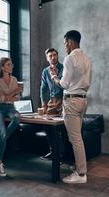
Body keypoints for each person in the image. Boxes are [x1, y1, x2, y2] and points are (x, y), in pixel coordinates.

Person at [51, 30, 92, 183]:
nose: (65, 47)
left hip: (72, 101)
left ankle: (81, 174)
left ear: (69, 41)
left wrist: (55, 77)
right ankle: (79, 168)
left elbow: (65, 84)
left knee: (75, 139)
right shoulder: (87, 59)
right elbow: (87, 83)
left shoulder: (69, 58)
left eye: (65, 44)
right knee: (77, 137)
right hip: (83, 100)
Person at [0, 57, 23, 177]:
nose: (12, 66)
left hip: (10, 108)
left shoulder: (14, 79)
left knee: (17, 117)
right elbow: (1, 99)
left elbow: (18, 98)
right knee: (3, 133)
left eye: (12, 64)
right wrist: (15, 91)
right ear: (2, 67)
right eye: (9, 65)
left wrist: (10, 95)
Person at [40, 48, 63, 160]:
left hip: (64, 99)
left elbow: (64, 85)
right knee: (47, 125)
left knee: (63, 127)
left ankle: (63, 154)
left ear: (57, 56)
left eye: (55, 55)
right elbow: (43, 89)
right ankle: (53, 151)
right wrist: (44, 104)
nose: (53, 57)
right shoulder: (45, 71)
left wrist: (55, 76)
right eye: (50, 56)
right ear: (47, 58)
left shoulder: (64, 68)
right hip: (52, 100)